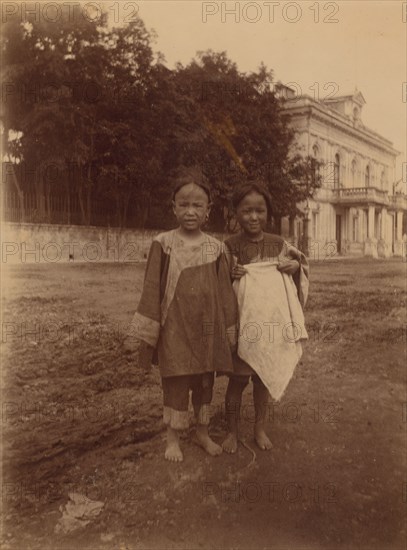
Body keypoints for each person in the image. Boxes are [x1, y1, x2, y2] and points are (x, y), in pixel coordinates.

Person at [132, 168, 236, 462]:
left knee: (205, 383)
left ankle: (202, 433)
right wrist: (149, 332)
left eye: (197, 205)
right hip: (174, 327)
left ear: (208, 211)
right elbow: (152, 287)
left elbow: (225, 291)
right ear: (173, 207)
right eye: (184, 204)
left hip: (206, 328)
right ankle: (173, 439)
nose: (190, 211)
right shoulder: (163, 243)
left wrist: (230, 330)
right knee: (176, 382)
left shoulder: (217, 248)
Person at [222, 182, 309, 454]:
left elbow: (300, 268)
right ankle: (232, 432)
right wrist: (229, 276)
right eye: (246, 210)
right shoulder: (229, 246)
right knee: (236, 380)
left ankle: (259, 428)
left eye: (260, 210)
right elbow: (217, 286)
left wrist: (295, 267)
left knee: (263, 381)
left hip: (270, 325)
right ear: (235, 213)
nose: (253, 217)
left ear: (268, 214)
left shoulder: (279, 244)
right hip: (242, 325)